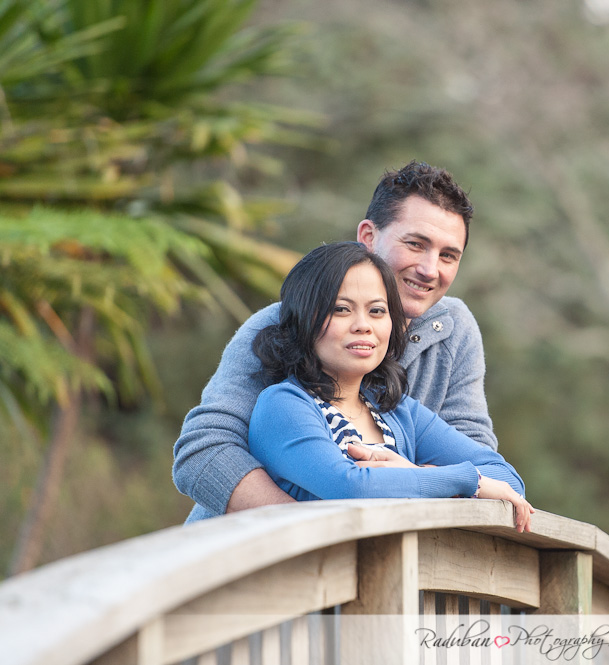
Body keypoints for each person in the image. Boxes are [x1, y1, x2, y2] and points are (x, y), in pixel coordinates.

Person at [173, 161, 497, 522]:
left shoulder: (453, 330)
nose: (429, 268)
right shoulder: (280, 326)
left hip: (385, 561)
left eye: (448, 255)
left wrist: (415, 480)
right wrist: (315, 535)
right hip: (253, 554)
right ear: (368, 237)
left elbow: (480, 462)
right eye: (415, 244)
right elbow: (203, 450)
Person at [231, 242, 533, 531]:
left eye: (377, 311)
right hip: (299, 580)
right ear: (304, 320)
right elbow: (350, 486)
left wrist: (416, 474)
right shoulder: (283, 404)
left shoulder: (396, 410)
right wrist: (471, 482)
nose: (364, 325)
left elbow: (506, 478)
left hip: (384, 578)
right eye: (341, 309)